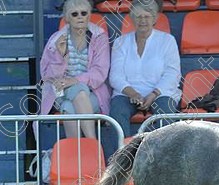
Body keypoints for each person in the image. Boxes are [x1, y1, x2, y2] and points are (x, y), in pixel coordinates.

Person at [108, 0, 181, 142]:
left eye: (147, 17)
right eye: (138, 17)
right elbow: (115, 76)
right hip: (128, 93)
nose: (142, 21)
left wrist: (153, 94)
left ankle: (163, 159)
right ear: (132, 19)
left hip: (160, 93)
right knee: (117, 112)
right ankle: (124, 158)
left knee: (165, 114)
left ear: (154, 19)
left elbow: (172, 74)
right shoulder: (120, 42)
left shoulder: (167, 40)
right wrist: (133, 93)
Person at [40, 0, 110, 139]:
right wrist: (61, 56)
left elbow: (100, 72)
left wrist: (74, 80)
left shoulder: (99, 37)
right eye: (74, 14)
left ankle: (76, 153)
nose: (80, 17)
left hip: (93, 93)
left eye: (84, 13)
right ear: (67, 18)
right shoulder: (56, 40)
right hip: (61, 92)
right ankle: (93, 144)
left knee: (69, 107)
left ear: (89, 15)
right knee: (78, 93)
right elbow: (47, 74)